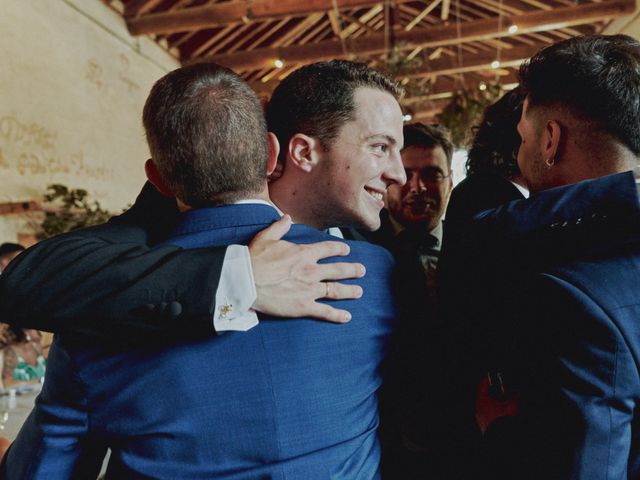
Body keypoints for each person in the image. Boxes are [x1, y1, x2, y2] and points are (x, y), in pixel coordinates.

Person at [2, 62, 400, 478]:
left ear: (157, 178)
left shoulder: (95, 318)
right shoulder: (372, 275)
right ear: (273, 153)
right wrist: (239, 278)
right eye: (379, 147)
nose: (398, 174)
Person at [440, 34, 640, 479]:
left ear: (550, 141)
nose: (519, 153)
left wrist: (499, 433)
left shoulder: (573, 293)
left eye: (523, 138)